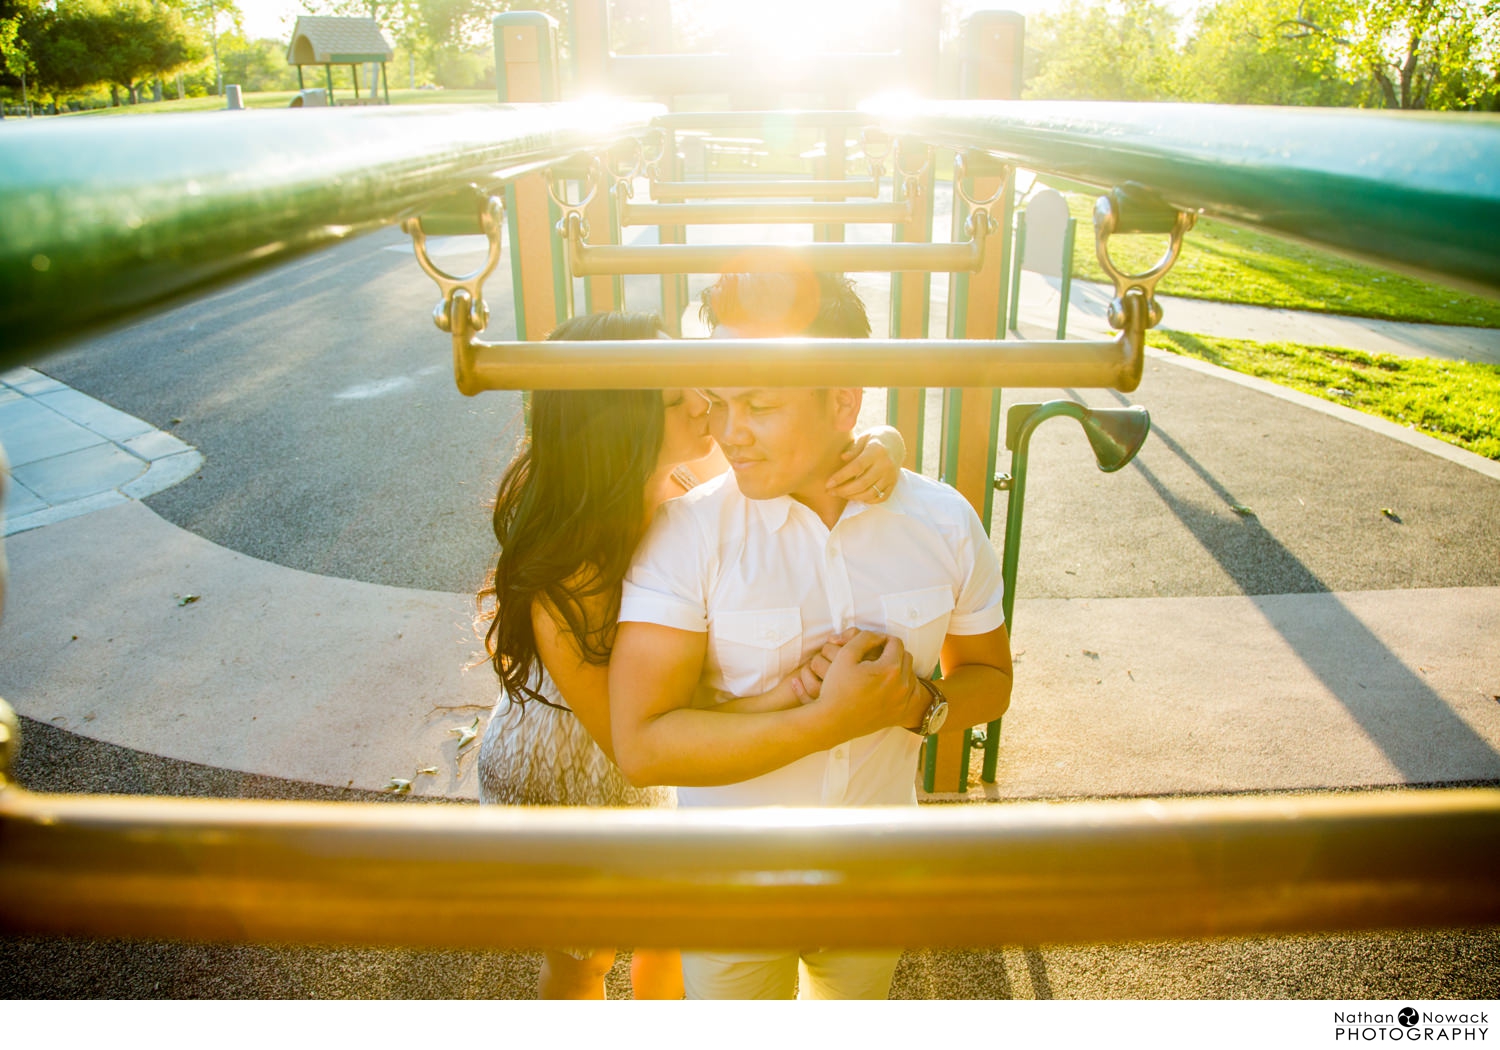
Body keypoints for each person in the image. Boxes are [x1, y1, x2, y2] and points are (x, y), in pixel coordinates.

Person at [474, 309, 909, 1000]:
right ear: (625, 429)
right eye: (681, 397)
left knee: (673, 937)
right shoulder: (567, 580)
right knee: (584, 959)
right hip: (564, 767)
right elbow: (631, 740)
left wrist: (880, 442)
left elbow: (794, 453)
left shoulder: (684, 462)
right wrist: (797, 694)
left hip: (677, 743)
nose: (710, 404)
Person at [607, 273, 1015, 1000]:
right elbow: (644, 746)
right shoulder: (687, 536)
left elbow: (990, 678)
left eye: (760, 405)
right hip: (728, 891)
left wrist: (920, 705)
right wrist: (829, 720)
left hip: (876, 880)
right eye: (722, 403)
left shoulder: (945, 522)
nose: (731, 431)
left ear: (844, 400)